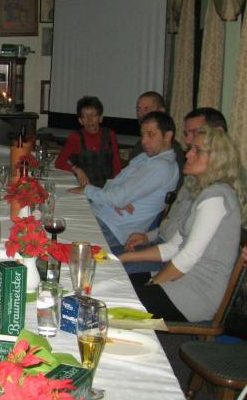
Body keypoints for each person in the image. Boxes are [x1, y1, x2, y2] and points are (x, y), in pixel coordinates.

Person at [120, 127, 246, 322]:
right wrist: (124, 258)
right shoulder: (205, 193)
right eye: (190, 149)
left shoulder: (216, 197)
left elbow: (188, 256)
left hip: (197, 294)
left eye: (197, 150)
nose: (188, 155)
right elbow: (174, 247)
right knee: (117, 284)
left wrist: (153, 283)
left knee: (117, 304)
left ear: (217, 159)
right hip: (184, 281)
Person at [121, 108, 230, 273]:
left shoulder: (218, 192)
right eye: (186, 134)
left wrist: (152, 277)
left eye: (195, 133)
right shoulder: (193, 177)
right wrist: (147, 236)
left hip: (174, 261)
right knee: (101, 257)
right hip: (160, 245)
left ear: (218, 134)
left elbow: (181, 250)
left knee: (107, 266)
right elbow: (174, 224)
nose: (188, 141)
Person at [72, 111, 179, 253]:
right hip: (103, 212)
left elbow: (117, 197)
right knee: (58, 210)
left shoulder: (162, 167)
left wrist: (87, 190)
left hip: (113, 228)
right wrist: (116, 199)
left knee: (59, 230)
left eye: (151, 135)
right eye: (143, 135)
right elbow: (113, 186)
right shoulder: (145, 157)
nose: (144, 141)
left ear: (168, 136)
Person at [55, 96, 121, 187]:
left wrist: (118, 185)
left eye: (94, 115)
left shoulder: (110, 135)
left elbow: (117, 164)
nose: (90, 120)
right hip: (85, 187)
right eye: (85, 116)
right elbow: (59, 163)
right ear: (80, 121)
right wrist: (77, 169)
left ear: (100, 118)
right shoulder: (75, 137)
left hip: (109, 187)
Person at [128, 91, 185, 174]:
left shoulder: (172, 150)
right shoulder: (140, 144)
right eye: (138, 110)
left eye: (147, 109)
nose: (141, 114)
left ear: (161, 111)